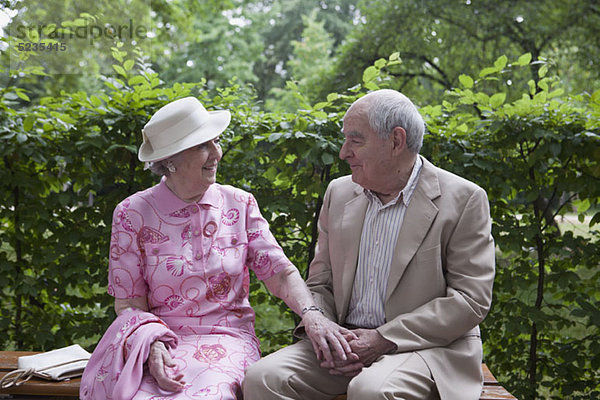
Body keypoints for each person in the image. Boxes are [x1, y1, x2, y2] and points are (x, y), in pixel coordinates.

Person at [81, 97, 352, 400]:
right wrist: (152, 344)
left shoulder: (239, 203)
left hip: (229, 339)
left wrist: (312, 315)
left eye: (216, 142)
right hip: (162, 341)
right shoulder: (132, 213)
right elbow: (129, 304)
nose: (217, 154)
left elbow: (280, 273)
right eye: (202, 146)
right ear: (170, 160)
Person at [243, 89, 496, 400]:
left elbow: (471, 300)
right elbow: (320, 284)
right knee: (263, 379)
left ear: (396, 141)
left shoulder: (464, 199)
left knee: (371, 391)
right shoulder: (339, 192)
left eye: (355, 140)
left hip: (427, 348)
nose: (343, 152)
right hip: (347, 341)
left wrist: (383, 338)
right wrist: (323, 327)